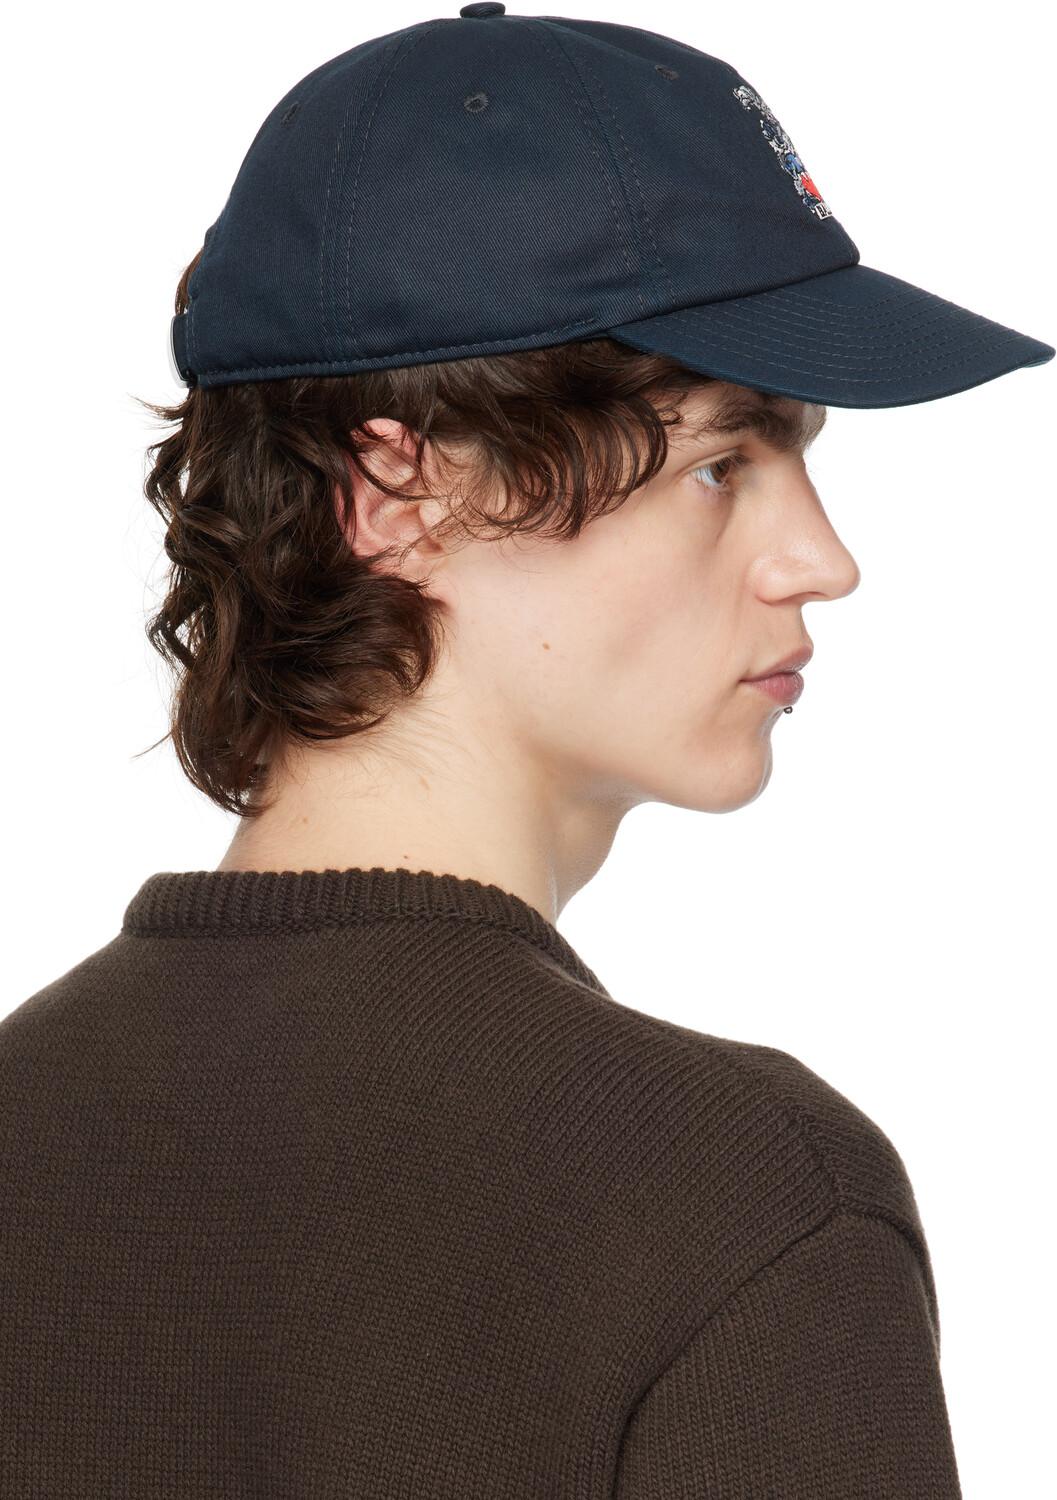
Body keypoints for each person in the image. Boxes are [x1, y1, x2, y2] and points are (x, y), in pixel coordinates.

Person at [1, 8, 1052, 1498]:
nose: (822, 561)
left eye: (799, 460)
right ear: (397, 493)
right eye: (722, 464)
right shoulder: (741, 1202)